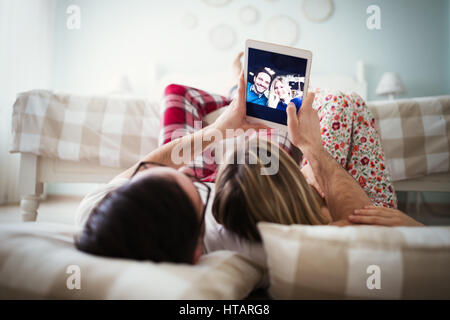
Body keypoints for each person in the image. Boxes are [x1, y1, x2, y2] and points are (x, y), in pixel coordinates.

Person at [74, 71, 267, 264]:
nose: (186, 169)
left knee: (176, 92)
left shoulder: (96, 210)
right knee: (271, 123)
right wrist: (299, 142)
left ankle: (237, 95)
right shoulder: (239, 243)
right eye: (200, 198)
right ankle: (239, 92)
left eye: (151, 173)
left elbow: (152, 168)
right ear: (197, 251)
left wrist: (216, 131)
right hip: (239, 188)